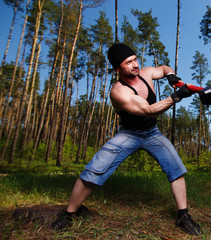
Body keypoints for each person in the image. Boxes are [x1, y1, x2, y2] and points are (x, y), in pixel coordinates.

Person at [51, 43, 202, 236]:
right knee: (94, 171)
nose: (135, 64)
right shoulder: (118, 91)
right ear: (117, 69)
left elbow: (163, 69)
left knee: (176, 169)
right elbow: (149, 110)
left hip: (152, 134)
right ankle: (69, 214)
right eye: (128, 62)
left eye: (135, 59)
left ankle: (183, 217)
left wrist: (172, 76)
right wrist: (176, 97)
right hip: (128, 134)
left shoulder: (146, 73)